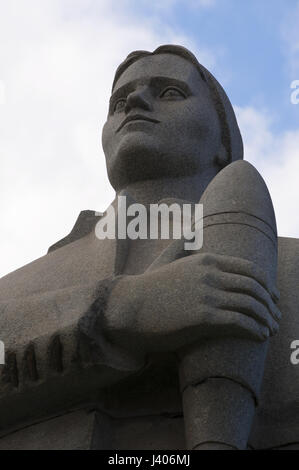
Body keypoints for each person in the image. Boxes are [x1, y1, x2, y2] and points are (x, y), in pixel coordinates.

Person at [0, 45, 297, 450]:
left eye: (169, 92)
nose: (135, 102)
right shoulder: (26, 286)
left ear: (223, 143)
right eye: (118, 101)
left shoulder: (292, 266)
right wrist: (124, 309)